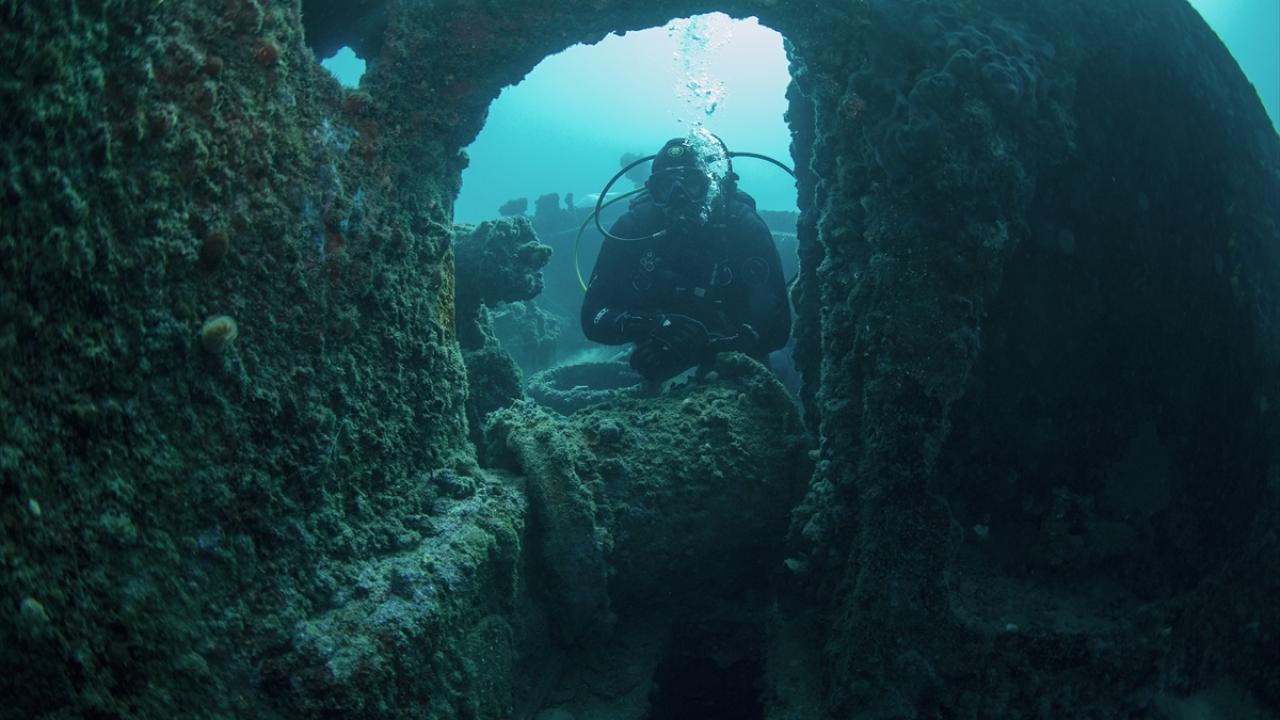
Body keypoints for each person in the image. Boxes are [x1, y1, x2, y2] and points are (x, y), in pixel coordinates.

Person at [581, 136, 791, 382]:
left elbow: (777, 327)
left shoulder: (742, 225)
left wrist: (709, 347)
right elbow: (592, 316)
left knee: (779, 363)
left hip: (731, 352)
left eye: (691, 184)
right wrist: (649, 325)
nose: (678, 197)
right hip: (660, 348)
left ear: (709, 185)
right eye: (665, 187)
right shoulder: (633, 228)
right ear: (652, 190)